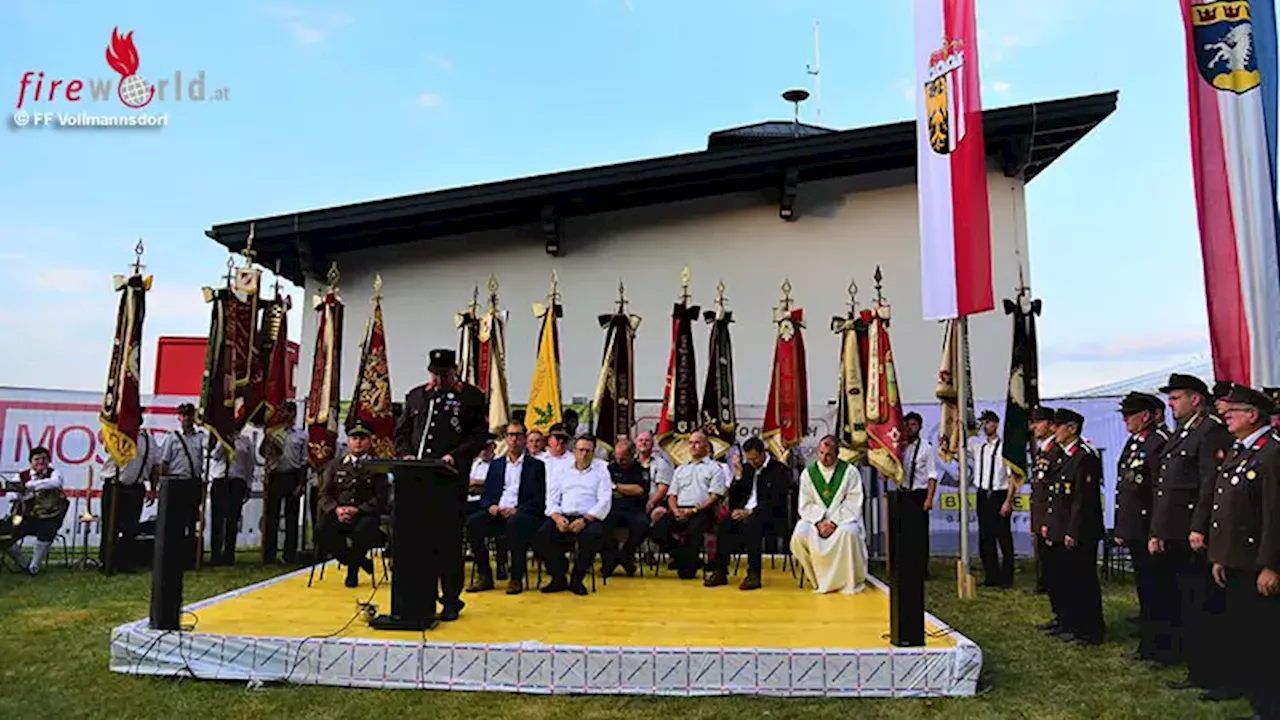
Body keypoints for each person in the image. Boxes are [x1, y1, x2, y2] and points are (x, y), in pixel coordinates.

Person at [1149, 374, 1233, 698]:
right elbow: (1166, 489)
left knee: (1203, 604)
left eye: (1176, 398)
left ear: (1195, 399)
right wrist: (1158, 530)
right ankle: (1196, 666)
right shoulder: (1183, 432)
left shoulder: (1209, 431)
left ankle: (1210, 672)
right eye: (1170, 399)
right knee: (1187, 601)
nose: (1171, 405)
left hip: (1194, 534)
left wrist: (1199, 526)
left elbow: (1208, 484)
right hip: (1175, 531)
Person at [394, 348, 488, 622]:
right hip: (416, 480)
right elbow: (401, 433)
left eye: (444, 375)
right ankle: (417, 595)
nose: (439, 380)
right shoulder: (416, 396)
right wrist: (405, 455)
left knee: (446, 542)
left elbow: (478, 435)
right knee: (415, 540)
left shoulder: (470, 397)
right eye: (435, 374)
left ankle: (450, 599)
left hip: (448, 480)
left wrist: (455, 456)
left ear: (454, 370)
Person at [1206, 384, 1280, 720]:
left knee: (1266, 637)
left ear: (1253, 414)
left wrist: (1272, 565)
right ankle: (1256, 697)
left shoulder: (1272, 453)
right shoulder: (1241, 450)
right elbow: (1226, 510)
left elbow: (1275, 515)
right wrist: (1221, 555)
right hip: (1236, 560)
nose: (1225, 415)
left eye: (1233, 411)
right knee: (1246, 633)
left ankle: (1269, 705)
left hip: (1257, 564)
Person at [1112, 392, 1170, 663]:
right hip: (1136, 528)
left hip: (1150, 529)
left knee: (1159, 591)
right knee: (1145, 590)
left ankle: (1162, 647)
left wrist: (1156, 531)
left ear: (1145, 416)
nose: (1125, 421)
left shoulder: (1159, 443)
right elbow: (1126, 487)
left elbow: (1161, 491)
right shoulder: (1135, 443)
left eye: (1129, 415)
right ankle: (1148, 644)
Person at [1044, 408, 1105, 645]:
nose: (1054, 430)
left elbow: (1083, 500)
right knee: (1066, 580)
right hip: (1062, 526)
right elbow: (1055, 495)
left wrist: (1072, 531)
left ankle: (1090, 630)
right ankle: (1070, 622)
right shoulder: (1062, 454)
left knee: (1084, 581)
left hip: (1080, 530)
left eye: (1058, 426)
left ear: (1072, 428)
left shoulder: (1084, 455)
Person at [465, 421, 545, 595]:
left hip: (522, 514)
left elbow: (539, 499)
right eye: (511, 435)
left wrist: (518, 509)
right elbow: (486, 495)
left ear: (524, 439)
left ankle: (516, 577)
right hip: (498, 512)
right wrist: (491, 506)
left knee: (515, 523)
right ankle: (485, 575)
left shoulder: (536, 466)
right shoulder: (497, 465)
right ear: (506, 439)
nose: (514, 439)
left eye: (518, 435)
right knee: (473, 523)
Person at [706, 436, 789, 590]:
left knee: (752, 524)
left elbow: (776, 502)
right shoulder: (747, 468)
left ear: (763, 453)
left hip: (770, 516)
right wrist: (737, 476)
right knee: (725, 524)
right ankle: (720, 571)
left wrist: (750, 512)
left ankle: (753, 574)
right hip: (745, 514)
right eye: (749, 459)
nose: (752, 462)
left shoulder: (779, 470)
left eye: (755, 459)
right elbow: (734, 500)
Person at [533, 435, 612, 595]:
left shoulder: (602, 470)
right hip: (563, 515)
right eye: (580, 450)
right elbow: (552, 498)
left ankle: (577, 579)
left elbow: (604, 501)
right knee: (541, 535)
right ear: (574, 451)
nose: (584, 454)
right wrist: (556, 517)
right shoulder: (562, 471)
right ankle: (558, 577)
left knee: (593, 536)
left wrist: (585, 520)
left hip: (589, 517)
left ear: (593, 452)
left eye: (588, 451)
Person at [791, 435, 868, 594]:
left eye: (828, 455)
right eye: (820, 453)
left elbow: (853, 502)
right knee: (799, 534)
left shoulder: (850, 472)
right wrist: (819, 522)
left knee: (849, 533)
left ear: (837, 454)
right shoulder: (808, 473)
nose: (823, 458)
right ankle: (816, 579)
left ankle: (845, 581)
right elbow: (805, 504)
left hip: (842, 521)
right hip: (815, 521)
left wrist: (833, 522)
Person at [315, 423, 390, 587]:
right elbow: (324, 494)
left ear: (369, 442)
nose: (358, 442)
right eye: (354, 438)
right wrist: (336, 509)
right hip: (339, 513)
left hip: (364, 515)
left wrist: (358, 509)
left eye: (362, 439)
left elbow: (381, 497)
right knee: (321, 531)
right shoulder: (336, 465)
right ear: (348, 441)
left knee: (362, 532)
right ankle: (356, 560)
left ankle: (352, 573)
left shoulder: (377, 467)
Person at [652, 431, 725, 579]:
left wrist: (693, 510)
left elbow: (714, 497)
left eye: (697, 442)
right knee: (657, 530)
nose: (693, 446)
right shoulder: (680, 469)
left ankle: (687, 565)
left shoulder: (715, 468)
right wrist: (675, 510)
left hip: (703, 511)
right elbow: (672, 495)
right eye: (691, 443)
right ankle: (685, 558)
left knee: (694, 530)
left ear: (706, 446)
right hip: (679, 509)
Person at [158, 403, 215, 568]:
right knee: (177, 522)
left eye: (189, 415)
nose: (186, 418)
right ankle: (175, 557)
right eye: (183, 415)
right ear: (178, 417)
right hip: (176, 483)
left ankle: (191, 558)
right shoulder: (172, 438)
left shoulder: (200, 437)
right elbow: (164, 463)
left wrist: (210, 424)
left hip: (193, 483)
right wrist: (162, 486)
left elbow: (210, 446)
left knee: (191, 521)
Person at [98, 416, 157, 574]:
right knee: (111, 526)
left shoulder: (148, 438)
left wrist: (153, 488)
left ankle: (126, 562)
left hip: (136, 487)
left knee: (131, 528)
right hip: (115, 486)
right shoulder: (116, 433)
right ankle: (107, 561)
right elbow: (103, 440)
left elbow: (154, 465)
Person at [1, 446, 69, 575]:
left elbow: (55, 483)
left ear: (48, 461)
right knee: (4, 531)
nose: (40, 462)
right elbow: (11, 496)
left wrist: (30, 486)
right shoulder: (21, 475)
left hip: (48, 516)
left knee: (48, 527)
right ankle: (22, 563)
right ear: (31, 462)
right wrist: (21, 494)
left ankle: (34, 566)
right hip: (23, 516)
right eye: (37, 459)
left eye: (44, 459)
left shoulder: (54, 473)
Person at [969, 410, 1015, 588]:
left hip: (999, 494)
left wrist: (1008, 501)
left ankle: (1006, 578)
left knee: (1003, 538)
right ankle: (991, 576)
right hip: (982, 494)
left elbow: (1012, 477)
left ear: (995, 424)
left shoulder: (1004, 448)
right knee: (985, 538)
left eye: (988, 422)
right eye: (983, 423)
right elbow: (957, 449)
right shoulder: (979, 446)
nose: (984, 426)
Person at [261, 400, 307, 564]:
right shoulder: (274, 432)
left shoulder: (301, 435)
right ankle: (269, 554)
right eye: (284, 411)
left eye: (290, 412)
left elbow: (303, 462)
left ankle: (289, 554)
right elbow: (262, 453)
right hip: (275, 475)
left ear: (294, 414)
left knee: (291, 518)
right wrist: (266, 439)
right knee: (271, 517)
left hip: (292, 476)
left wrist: (301, 484)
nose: (287, 415)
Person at [893, 412, 938, 581]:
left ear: (919, 427)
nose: (909, 428)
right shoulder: (899, 448)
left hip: (919, 494)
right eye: (907, 425)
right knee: (902, 533)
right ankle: (904, 567)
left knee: (919, 535)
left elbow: (932, 476)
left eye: (913, 425)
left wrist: (929, 499)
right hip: (902, 493)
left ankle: (921, 569)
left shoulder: (926, 448)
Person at [209, 428, 258, 566]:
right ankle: (215, 554)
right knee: (217, 520)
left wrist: (248, 485)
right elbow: (214, 456)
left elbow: (250, 465)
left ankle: (229, 554)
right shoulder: (218, 436)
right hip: (220, 480)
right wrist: (223, 442)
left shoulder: (245, 441)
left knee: (232, 520)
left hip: (237, 482)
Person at [602, 437, 649, 578]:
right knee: (600, 525)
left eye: (623, 458)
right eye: (617, 457)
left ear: (632, 454)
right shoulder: (609, 468)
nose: (620, 461)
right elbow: (603, 488)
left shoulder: (640, 470)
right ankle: (613, 558)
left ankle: (625, 555)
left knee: (643, 524)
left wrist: (616, 486)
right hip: (612, 509)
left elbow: (640, 490)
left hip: (634, 509)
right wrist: (628, 489)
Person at [1028, 406, 1059, 600]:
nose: (1034, 427)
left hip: (1050, 514)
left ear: (1051, 425)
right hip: (1040, 511)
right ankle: (1044, 584)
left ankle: (1050, 587)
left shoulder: (1055, 449)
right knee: (1044, 555)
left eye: (1038, 422)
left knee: (1052, 559)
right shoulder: (1043, 450)